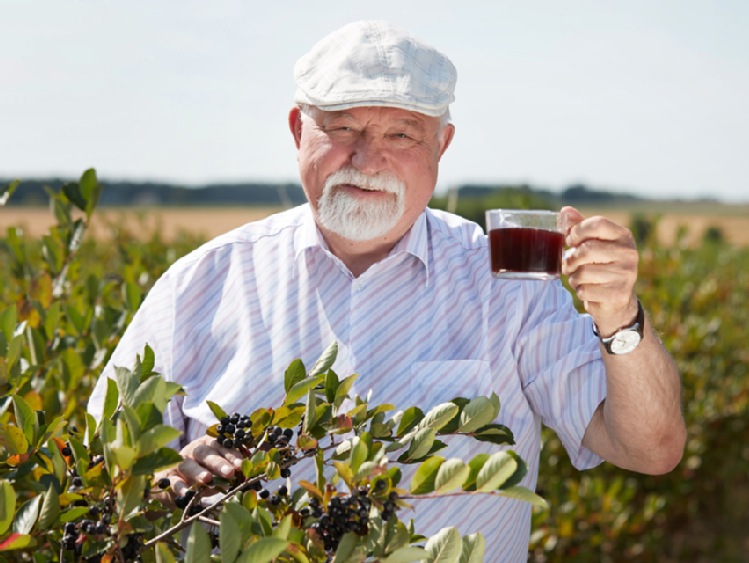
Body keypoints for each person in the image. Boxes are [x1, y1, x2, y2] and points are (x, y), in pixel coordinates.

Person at [88, 20, 686, 561]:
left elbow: (649, 449)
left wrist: (619, 318)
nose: (368, 159)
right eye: (342, 127)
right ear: (299, 130)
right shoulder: (200, 283)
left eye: (403, 134)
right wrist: (158, 478)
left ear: (442, 146)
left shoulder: (508, 286)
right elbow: (98, 472)